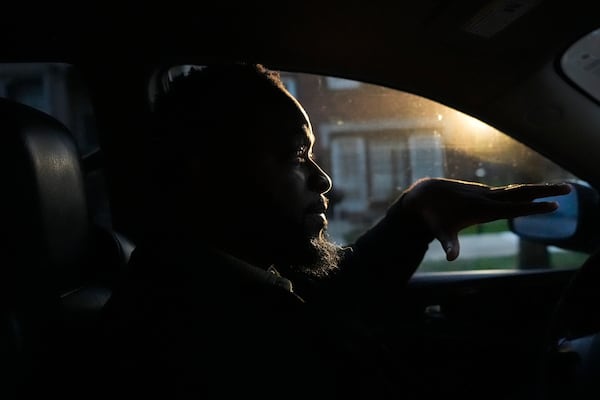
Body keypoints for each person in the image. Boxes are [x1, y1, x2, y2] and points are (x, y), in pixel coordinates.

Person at [99, 63, 571, 399]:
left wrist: (415, 213)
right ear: (206, 172)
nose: (323, 180)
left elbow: (338, 292)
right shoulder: (193, 339)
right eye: (295, 157)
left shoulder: (228, 275)